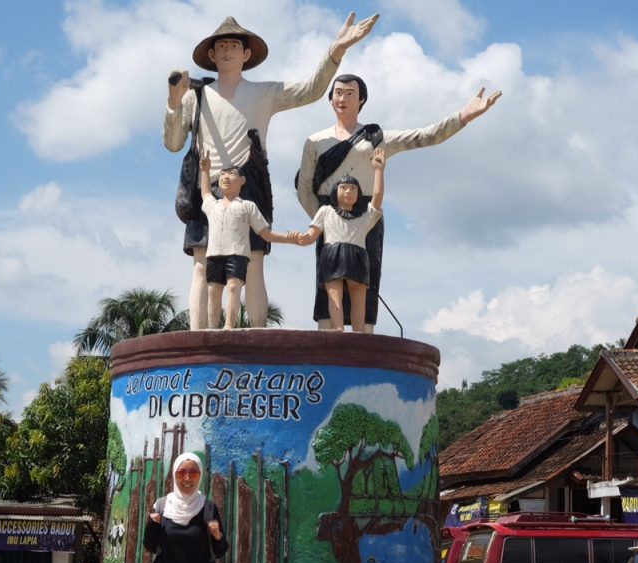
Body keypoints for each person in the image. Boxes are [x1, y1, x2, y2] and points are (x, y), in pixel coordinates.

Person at [165, 13, 378, 330]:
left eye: (233, 45)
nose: (226, 51)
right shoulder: (196, 95)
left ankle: (255, 336)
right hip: (206, 189)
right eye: (220, 45)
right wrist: (173, 100)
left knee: (252, 267)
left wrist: (336, 50)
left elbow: (310, 90)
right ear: (210, 55)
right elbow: (173, 142)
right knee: (201, 265)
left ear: (246, 54)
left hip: (249, 187)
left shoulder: (264, 92)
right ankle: (199, 337)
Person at [297, 74, 502, 332]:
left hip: (367, 214)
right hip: (329, 216)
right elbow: (304, 186)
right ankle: (326, 337)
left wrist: (464, 115)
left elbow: (427, 136)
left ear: (361, 99)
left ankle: (365, 339)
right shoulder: (316, 140)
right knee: (328, 280)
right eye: (338, 92)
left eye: (350, 93)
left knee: (367, 278)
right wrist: (323, 220)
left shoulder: (376, 137)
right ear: (330, 99)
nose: (343, 98)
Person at [293, 149, 385, 332]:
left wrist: (378, 171)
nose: (348, 192)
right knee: (333, 296)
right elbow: (311, 235)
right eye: (343, 188)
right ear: (335, 191)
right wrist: (300, 239)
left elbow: (377, 198)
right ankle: (338, 329)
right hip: (332, 254)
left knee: (359, 296)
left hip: (358, 256)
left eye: (353, 189)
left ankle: (358, 333)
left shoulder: (365, 216)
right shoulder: (325, 211)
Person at [198, 156, 294, 329]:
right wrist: (205, 171)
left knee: (234, 288)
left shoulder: (247, 206)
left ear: (242, 180)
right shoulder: (213, 205)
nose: (225, 178)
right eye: (222, 175)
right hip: (213, 253)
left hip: (237, 254)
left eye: (231, 174)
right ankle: (212, 327)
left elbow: (265, 233)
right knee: (214, 291)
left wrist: (289, 238)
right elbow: (205, 193)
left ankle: (229, 325)